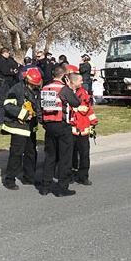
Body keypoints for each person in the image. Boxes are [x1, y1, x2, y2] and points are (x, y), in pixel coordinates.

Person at [40, 65, 82, 197]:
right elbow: (76, 102)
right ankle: (62, 188)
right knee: (65, 158)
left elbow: (41, 108)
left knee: (50, 156)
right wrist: (70, 87)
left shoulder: (45, 88)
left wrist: (45, 123)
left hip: (49, 125)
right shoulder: (63, 89)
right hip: (62, 125)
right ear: (64, 76)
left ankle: (45, 187)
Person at [1, 67, 43, 190]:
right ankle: (10, 179)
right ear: (26, 80)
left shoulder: (36, 90)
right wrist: (23, 114)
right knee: (16, 154)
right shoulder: (16, 89)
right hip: (18, 127)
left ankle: (29, 177)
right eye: (32, 84)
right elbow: (7, 105)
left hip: (31, 127)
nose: (34, 86)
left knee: (31, 153)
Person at [69, 71, 98, 185]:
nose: (82, 82)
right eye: (80, 80)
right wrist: (76, 109)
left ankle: (83, 176)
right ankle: (70, 175)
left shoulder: (83, 93)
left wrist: (93, 121)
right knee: (71, 155)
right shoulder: (67, 92)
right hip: (72, 129)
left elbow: (88, 109)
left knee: (85, 154)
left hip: (84, 129)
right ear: (74, 81)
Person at [0, 48, 20, 126]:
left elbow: (15, 66)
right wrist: (12, 71)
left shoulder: (6, 60)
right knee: (2, 102)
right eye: (8, 53)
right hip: (1, 83)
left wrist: (13, 70)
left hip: (3, 82)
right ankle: (0, 120)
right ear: (5, 53)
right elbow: (5, 71)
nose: (9, 55)